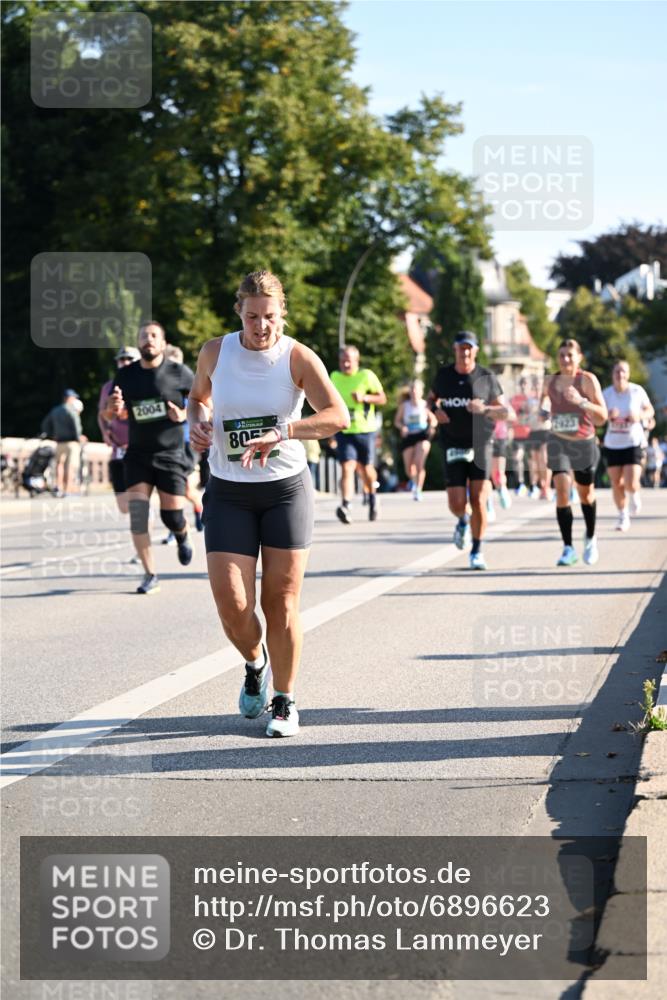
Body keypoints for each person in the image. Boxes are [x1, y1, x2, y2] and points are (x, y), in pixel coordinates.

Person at [187, 270, 348, 738]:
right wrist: (197, 424)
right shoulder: (215, 352)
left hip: (283, 490)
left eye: (271, 317)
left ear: (282, 314)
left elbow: (338, 415)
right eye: (253, 316)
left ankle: (284, 700)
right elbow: (199, 398)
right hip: (229, 488)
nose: (262, 327)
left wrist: (286, 430)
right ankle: (254, 663)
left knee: (281, 602)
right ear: (239, 311)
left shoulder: (296, 356)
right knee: (233, 603)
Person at [102, 321, 195, 595]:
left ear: (163, 343)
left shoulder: (180, 373)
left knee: (172, 515)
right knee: (138, 517)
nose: (149, 340)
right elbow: (111, 414)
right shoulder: (126, 376)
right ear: (139, 342)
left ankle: (181, 533)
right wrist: (112, 409)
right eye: (144, 336)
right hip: (138, 454)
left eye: (154, 335)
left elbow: (206, 405)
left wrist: (185, 415)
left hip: (171, 454)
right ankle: (149, 573)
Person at [430, 330, 510, 570]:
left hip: (481, 443)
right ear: (455, 350)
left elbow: (505, 412)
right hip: (452, 443)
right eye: (460, 348)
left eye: (469, 348)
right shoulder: (444, 376)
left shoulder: (486, 377)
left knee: (477, 498)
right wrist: (435, 411)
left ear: (475, 350)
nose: (464, 352)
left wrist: (485, 409)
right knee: (456, 503)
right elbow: (430, 400)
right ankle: (462, 521)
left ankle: (476, 550)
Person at [541, 339, 607, 566]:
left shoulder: (587, 381)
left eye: (570, 355)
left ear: (579, 357)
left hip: (583, 442)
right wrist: (542, 412)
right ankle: (568, 547)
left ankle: (590, 536)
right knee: (561, 489)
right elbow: (542, 404)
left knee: (586, 494)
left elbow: (602, 417)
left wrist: (582, 402)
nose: (565, 359)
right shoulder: (550, 380)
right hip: (558, 441)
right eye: (562, 355)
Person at [330, 346, 386, 523]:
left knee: (367, 470)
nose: (346, 363)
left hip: (365, 430)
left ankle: (372, 496)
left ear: (357, 361)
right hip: (344, 430)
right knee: (347, 467)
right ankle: (346, 505)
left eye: (349, 360)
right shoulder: (334, 377)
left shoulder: (366, 376)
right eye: (342, 360)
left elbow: (382, 398)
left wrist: (365, 398)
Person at [602, 360, 654, 531]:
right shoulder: (607, 393)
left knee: (630, 482)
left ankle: (634, 494)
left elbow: (650, 411)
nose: (620, 375)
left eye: (623, 371)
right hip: (613, 443)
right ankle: (623, 515)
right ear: (613, 375)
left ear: (628, 374)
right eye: (617, 371)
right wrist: (608, 415)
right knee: (616, 482)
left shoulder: (637, 391)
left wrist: (639, 415)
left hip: (633, 442)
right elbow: (598, 416)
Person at [98, 346, 141, 514]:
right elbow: (101, 414)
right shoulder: (109, 387)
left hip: (141, 448)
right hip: (118, 449)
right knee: (124, 507)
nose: (125, 362)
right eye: (122, 359)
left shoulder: (146, 383)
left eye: (130, 358)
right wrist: (104, 433)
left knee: (139, 497)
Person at [394, 378, 437, 500]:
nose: (414, 391)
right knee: (409, 468)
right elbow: (397, 421)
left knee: (419, 464)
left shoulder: (425, 405)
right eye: (412, 389)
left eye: (416, 389)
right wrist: (402, 427)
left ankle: (418, 489)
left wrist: (431, 427)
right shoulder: (404, 406)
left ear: (421, 391)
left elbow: (434, 420)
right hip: (409, 436)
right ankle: (413, 480)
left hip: (422, 435)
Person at [41, 389, 88, 497]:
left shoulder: (55, 410)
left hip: (59, 442)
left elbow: (45, 424)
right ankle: (68, 490)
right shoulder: (72, 411)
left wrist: (51, 434)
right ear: (70, 398)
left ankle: (59, 487)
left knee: (59, 465)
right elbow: (77, 428)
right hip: (72, 443)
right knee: (70, 466)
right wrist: (79, 438)